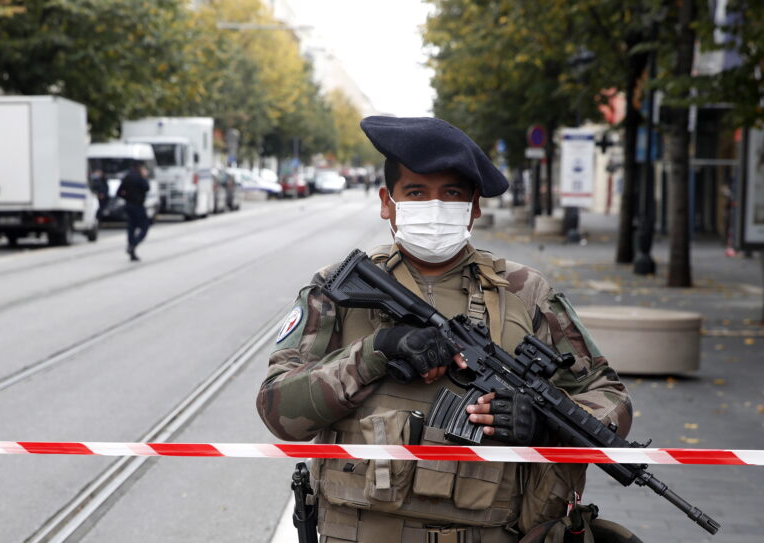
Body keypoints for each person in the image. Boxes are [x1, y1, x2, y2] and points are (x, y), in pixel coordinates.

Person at [256, 116, 633, 542]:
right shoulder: (338, 290)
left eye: (450, 194)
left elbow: (611, 399)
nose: (434, 208)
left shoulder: (526, 292)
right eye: (416, 192)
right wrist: (373, 354)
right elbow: (277, 410)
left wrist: (544, 425)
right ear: (387, 202)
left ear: (474, 206)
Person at [117, 161, 150, 262]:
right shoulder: (139, 177)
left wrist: (127, 197)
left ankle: (132, 250)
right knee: (144, 227)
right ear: (139, 168)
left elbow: (119, 192)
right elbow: (147, 187)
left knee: (131, 228)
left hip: (129, 205)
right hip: (138, 206)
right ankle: (133, 245)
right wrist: (144, 177)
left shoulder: (127, 177)